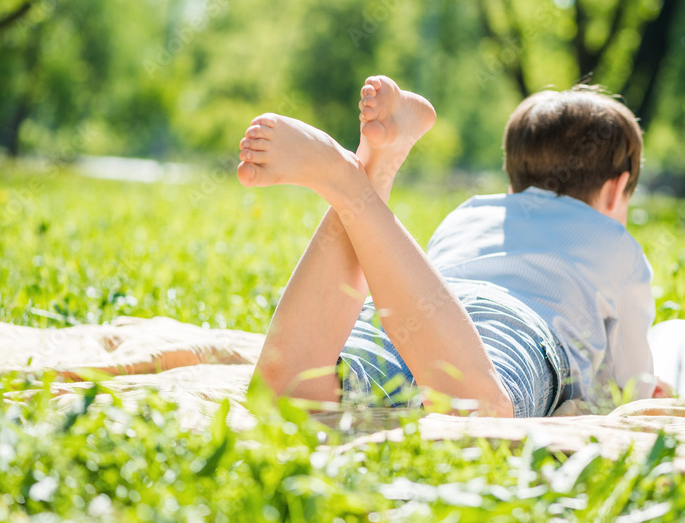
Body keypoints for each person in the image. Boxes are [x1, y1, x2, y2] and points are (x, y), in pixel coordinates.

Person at [240, 75, 656, 418]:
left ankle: (369, 173)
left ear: (513, 186)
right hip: (514, 327)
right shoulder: (618, 244)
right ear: (617, 189)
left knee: (290, 395)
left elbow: (405, 281)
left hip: (417, 313)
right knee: (479, 415)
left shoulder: (471, 212)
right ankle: (349, 183)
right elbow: (631, 386)